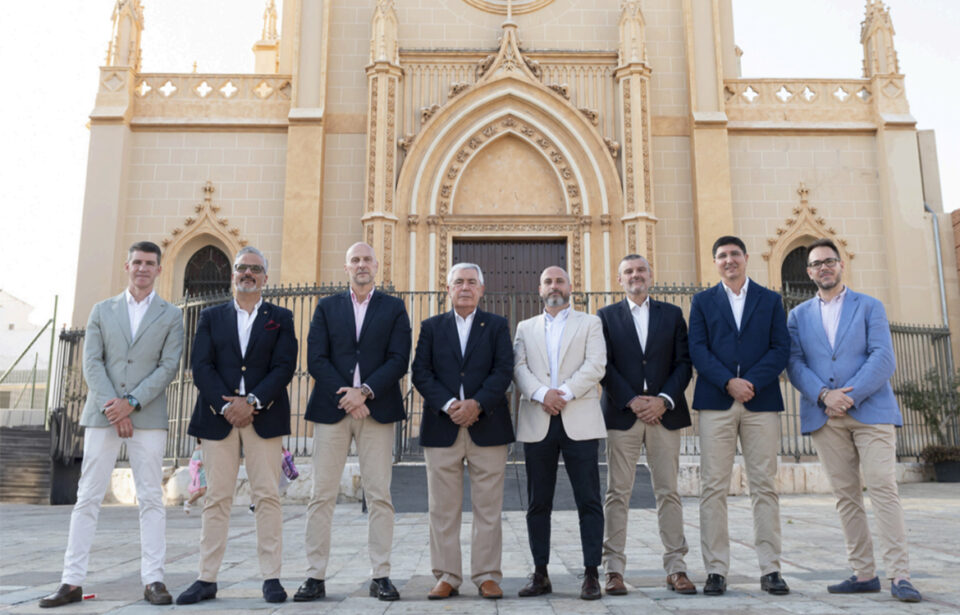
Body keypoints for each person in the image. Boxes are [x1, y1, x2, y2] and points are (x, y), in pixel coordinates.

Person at [39, 241, 184, 608]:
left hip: (146, 416)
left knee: (151, 497)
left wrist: (131, 403)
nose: (142, 268)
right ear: (127, 266)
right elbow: (92, 362)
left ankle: (154, 580)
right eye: (137, 262)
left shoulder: (171, 315)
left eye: (149, 263)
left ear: (159, 269)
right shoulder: (102, 310)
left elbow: (168, 366)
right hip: (102, 415)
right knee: (87, 496)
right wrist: (114, 407)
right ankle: (71, 581)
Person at [786, 238, 921, 603]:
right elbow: (795, 364)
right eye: (816, 264)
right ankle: (864, 573)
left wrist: (849, 396)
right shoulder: (797, 316)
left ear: (841, 264)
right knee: (846, 496)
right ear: (809, 272)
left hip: (871, 412)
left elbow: (883, 357)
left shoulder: (869, 306)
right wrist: (824, 396)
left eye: (829, 261)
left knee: (883, 488)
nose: (824, 267)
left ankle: (900, 575)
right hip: (825, 416)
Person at [176, 246, 297, 605]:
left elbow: (284, 366)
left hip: (264, 416)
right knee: (217, 498)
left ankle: (271, 578)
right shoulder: (211, 316)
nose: (248, 273)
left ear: (265, 278)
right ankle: (206, 578)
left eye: (255, 269)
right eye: (242, 268)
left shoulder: (281, 317)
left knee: (267, 496)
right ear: (232, 275)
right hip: (219, 418)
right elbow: (201, 365)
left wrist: (253, 401)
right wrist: (226, 405)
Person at [296, 242, 411, 602]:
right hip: (333, 409)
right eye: (355, 260)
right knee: (321, 494)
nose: (361, 265)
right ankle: (314, 576)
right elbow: (316, 358)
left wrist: (365, 392)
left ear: (376, 266)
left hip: (377, 410)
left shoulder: (394, 308)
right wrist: (348, 396)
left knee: (379, 495)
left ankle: (381, 575)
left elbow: (399, 358)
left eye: (366, 260)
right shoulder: (326, 307)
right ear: (346, 267)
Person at [688, 235, 790, 596]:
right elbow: (697, 349)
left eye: (734, 254)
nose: (729, 260)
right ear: (715, 262)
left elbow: (780, 348)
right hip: (716, 401)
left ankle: (770, 568)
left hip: (760, 401)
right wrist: (728, 382)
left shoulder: (770, 299)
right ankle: (716, 569)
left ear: (746, 257)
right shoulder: (702, 301)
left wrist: (751, 383)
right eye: (722, 255)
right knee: (713, 487)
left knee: (764, 485)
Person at [411, 262, 515, 600]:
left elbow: (504, 370)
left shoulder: (497, 326)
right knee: (442, 509)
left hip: (488, 426)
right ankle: (447, 576)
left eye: (472, 282)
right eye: (459, 282)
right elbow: (421, 372)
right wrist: (449, 405)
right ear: (448, 289)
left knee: (488, 508)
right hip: (442, 427)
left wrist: (477, 404)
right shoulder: (431, 327)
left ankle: (487, 575)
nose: (465, 287)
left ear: (482, 289)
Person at [598, 254, 695, 595]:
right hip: (622, 415)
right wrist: (632, 400)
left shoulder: (672, 314)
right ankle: (613, 570)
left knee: (668, 491)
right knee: (617, 493)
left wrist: (662, 400)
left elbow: (683, 363)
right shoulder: (605, 317)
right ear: (619, 279)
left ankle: (676, 567)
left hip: (664, 415)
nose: (635, 275)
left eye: (640, 270)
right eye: (628, 271)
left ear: (651, 276)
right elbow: (603, 365)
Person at [512, 266, 607, 600]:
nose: (554, 286)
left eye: (560, 281)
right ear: (540, 289)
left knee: (589, 500)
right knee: (538, 502)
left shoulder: (590, 323)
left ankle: (592, 574)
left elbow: (596, 364)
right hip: (539, 419)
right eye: (548, 281)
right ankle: (540, 573)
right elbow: (518, 367)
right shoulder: (525, 327)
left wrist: (562, 394)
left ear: (570, 286)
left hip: (578, 419)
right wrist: (542, 395)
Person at [184, 439, 206, 514]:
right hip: (202, 474)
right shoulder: (198, 449)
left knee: (210, 492)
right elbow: (194, 461)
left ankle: (207, 508)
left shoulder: (209, 447)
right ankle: (188, 502)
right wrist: (201, 463)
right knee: (202, 492)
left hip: (209, 472)